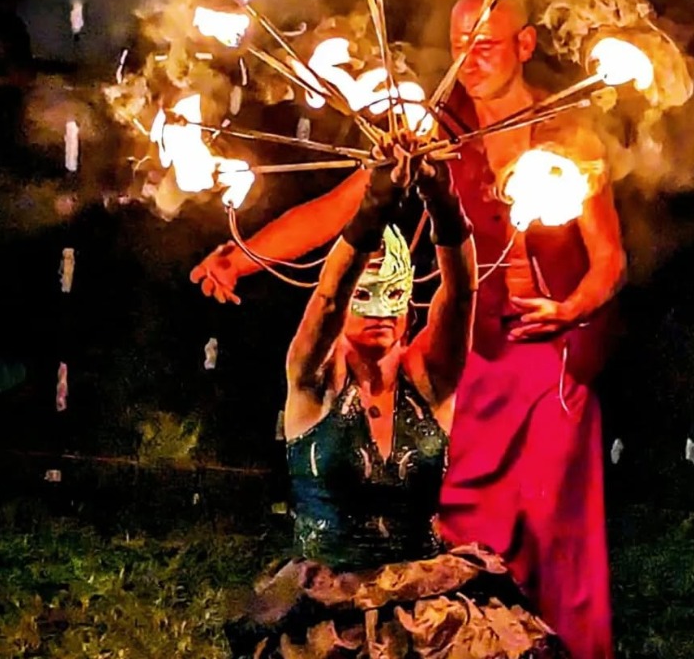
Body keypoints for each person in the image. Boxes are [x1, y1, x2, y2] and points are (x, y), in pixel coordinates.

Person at [196, 0, 626, 658]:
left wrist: (573, 308)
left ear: (527, 45)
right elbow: (339, 209)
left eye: (488, 43)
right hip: (465, 353)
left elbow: (609, 260)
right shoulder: (436, 128)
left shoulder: (566, 132)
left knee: (549, 516)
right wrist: (242, 255)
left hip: (545, 356)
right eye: (461, 42)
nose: (470, 57)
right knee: (447, 506)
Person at [223, 144, 569, 658]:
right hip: (331, 607)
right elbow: (329, 296)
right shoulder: (314, 380)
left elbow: (462, 294)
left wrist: (444, 202)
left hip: (427, 603)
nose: (381, 309)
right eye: (368, 295)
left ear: (410, 302)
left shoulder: (429, 379)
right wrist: (370, 210)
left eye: (395, 295)